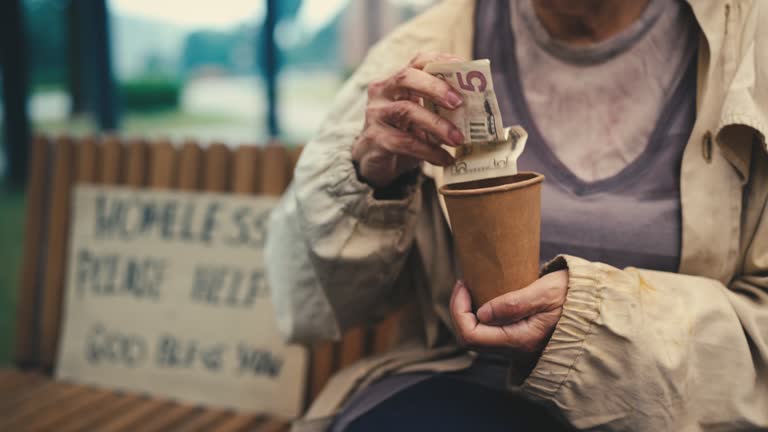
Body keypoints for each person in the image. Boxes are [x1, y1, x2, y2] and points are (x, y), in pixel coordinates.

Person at [266, 0, 768, 430]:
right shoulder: (427, 45)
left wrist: (592, 327)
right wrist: (371, 179)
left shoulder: (751, 43)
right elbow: (303, 297)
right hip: (455, 389)